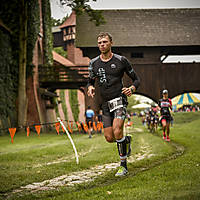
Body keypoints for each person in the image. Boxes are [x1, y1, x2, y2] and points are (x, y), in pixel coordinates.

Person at [87, 32, 140, 176]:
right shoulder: (93, 63)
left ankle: (123, 166)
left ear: (111, 43)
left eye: (104, 42)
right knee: (110, 138)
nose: (102, 45)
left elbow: (136, 79)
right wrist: (90, 87)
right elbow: (91, 80)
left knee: (117, 130)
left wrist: (131, 89)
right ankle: (125, 141)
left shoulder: (121, 60)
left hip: (119, 100)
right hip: (105, 104)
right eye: (99, 43)